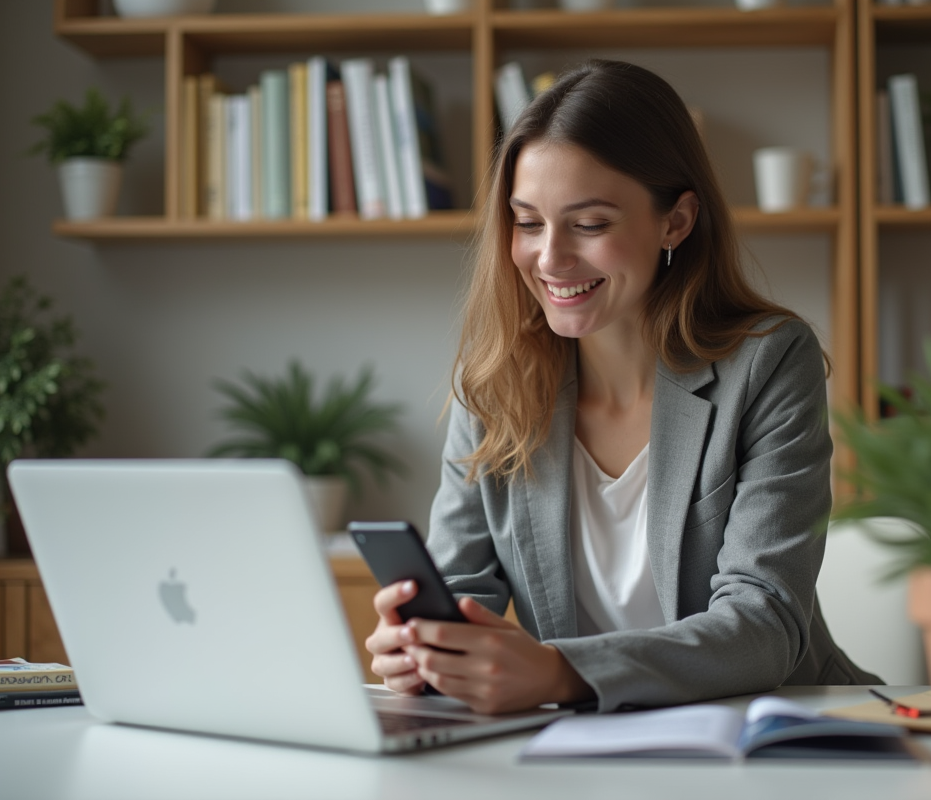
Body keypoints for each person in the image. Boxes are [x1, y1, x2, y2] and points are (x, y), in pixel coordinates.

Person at [365, 59, 879, 715]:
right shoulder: (496, 384)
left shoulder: (771, 362)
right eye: (527, 222)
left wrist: (560, 674)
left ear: (677, 221)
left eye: (589, 224)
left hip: (777, 735)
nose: (549, 258)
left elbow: (765, 622)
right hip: (586, 753)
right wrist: (424, 649)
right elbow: (462, 589)